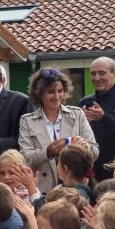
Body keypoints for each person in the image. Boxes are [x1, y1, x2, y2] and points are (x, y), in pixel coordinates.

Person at [19, 67, 98, 195]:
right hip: (43, 191)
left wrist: (85, 147)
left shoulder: (77, 114)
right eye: (50, 92)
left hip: (75, 191)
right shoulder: (27, 121)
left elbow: (95, 152)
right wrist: (47, 152)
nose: (57, 96)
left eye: (60, 91)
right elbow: (24, 159)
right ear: (39, 93)